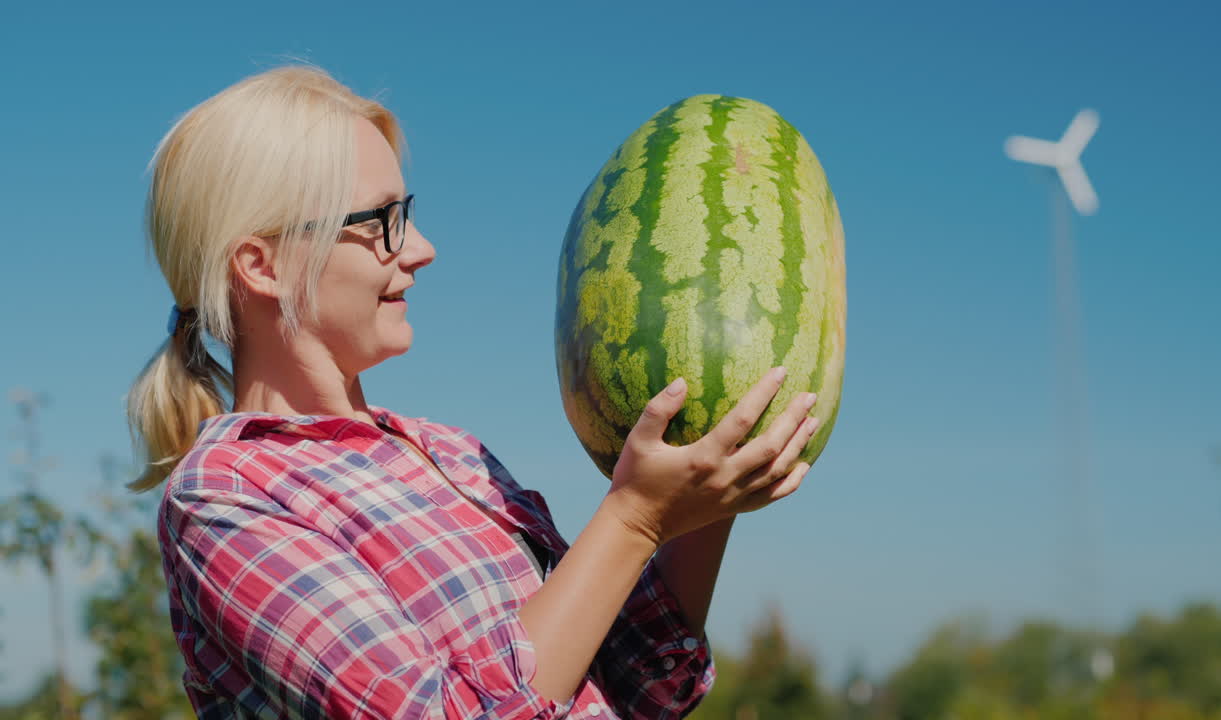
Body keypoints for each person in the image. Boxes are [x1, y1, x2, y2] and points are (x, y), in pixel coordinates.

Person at [125, 65, 820, 719]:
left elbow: (635, 685)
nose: (422, 248)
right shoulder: (227, 497)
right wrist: (634, 517)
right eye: (382, 222)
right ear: (262, 266)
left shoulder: (453, 455)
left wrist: (711, 482)